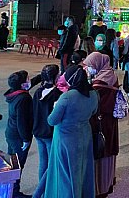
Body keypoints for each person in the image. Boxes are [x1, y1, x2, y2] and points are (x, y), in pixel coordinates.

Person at [41, 65, 98, 198]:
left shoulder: (67, 97)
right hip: (85, 135)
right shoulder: (93, 94)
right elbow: (94, 112)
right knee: (83, 170)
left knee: (65, 174)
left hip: (66, 139)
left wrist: (55, 107)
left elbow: (52, 120)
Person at [83, 52, 120, 197]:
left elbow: (95, 105)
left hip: (101, 124)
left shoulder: (100, 84)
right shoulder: (110, 75)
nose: (88, 68)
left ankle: (100, 187)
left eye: (90, 65)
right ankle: (108, 181)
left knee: (101, 153)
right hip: (110, 122)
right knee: (108, 151)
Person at [5, 70, 40, 198]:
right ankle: (14, 191)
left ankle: (9, 188)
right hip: (19, 135)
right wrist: (26, 139)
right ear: (22, 84)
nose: (29, 81)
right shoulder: (24, 98)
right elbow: (22, 122)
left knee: (11, 162)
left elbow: (29, 84)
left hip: (10, 132)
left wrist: (41, 77)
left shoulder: (13, 93)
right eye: (27, 79)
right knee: (18, 164)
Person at [32, 65, 63, 182]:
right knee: (52, 161)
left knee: (43, 161)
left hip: (38, 131)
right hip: (50, 132)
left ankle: (42, 186)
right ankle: (50, 187)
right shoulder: (57, 94)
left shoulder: (38, 92)